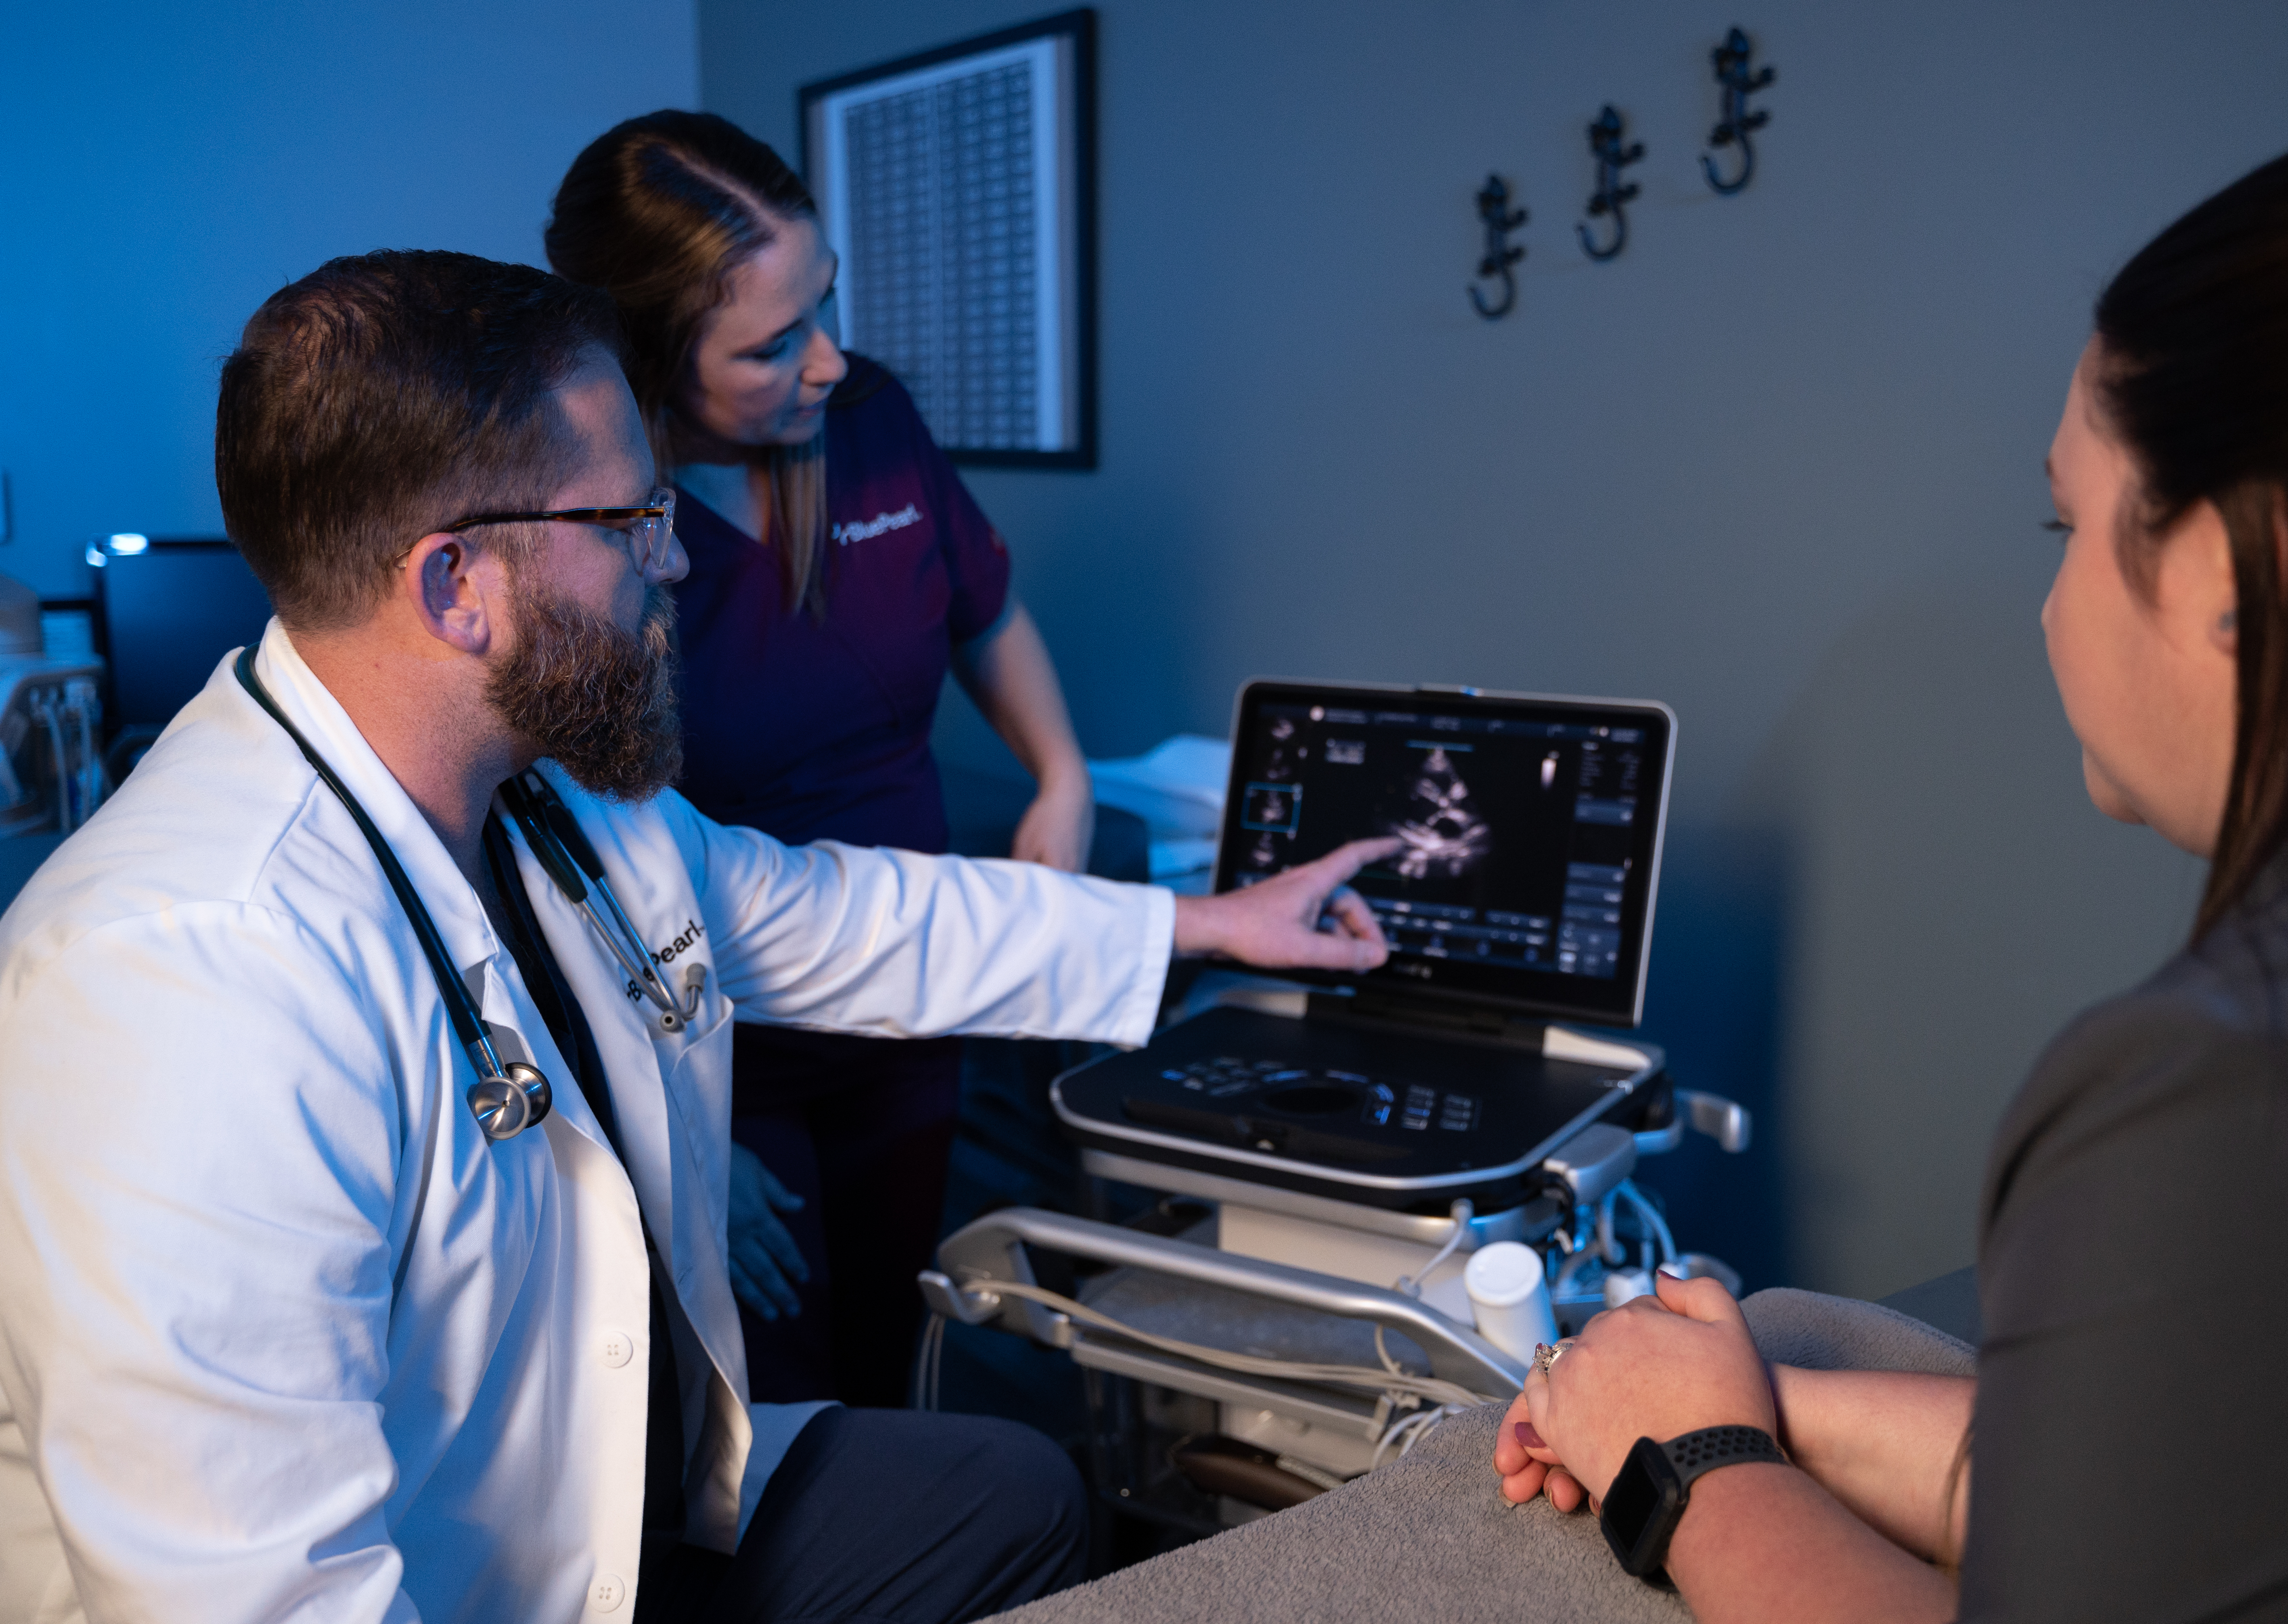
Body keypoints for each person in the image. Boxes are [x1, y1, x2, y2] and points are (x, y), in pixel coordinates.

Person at [0, 248, 1400, 1624]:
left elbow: (856, 917)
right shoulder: (179, 980)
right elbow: (257, 1594)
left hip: (617, 1518)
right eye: (629, 523)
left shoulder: (552, 804)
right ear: (454, 590)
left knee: (1013, 1493)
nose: (673, 560)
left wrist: (1208, 924)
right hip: (447, 1591)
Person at [1488, 128, 2288, 1620]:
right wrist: (1758, 1406)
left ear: (2233, 572)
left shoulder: (2234, 1093)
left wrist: (1689, 1468)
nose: (2051, 605)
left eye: (2066, 525)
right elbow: (2188, 1487)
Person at [543, 111, 1095, 1407]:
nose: (830, 362)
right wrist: (681, 1125)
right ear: (650, 356)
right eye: (772, 344)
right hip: (722, 1030)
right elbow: (559, 851)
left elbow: (983, 610)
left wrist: (1063, 776)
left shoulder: (872, 419)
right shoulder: (591, 532)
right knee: (768, 1395)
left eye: (825, 309)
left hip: (907, 988)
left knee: (899, 1349)